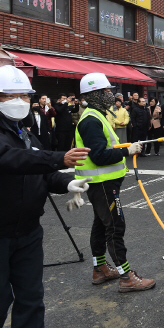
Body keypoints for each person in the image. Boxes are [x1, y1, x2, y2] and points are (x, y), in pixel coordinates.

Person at [0, 65, 92, 328]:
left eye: (25, 96)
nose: (20, 102)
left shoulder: (25, 133)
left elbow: (41, 172)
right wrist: (58, 158)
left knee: (31, 298)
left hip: (28, 232)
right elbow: (11, 159)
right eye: (9, 96)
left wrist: (69, 182)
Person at [76, 72, 155, 293]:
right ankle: (126, 276)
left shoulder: (96, 115)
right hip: (103, 183)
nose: (111, 94)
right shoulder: (91, 119)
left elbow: (105, 148)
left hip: (104, 182)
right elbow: (99, 156)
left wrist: (125, 147)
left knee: (101, 225)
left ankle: (100, 269)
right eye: (107, 91)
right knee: (115, 227)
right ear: (95, 95)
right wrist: (127, 151)